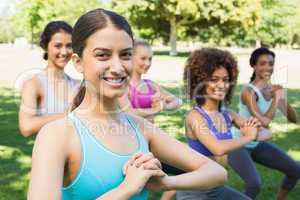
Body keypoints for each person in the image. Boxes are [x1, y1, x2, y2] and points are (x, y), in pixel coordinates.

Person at [27, 9, 227, 200]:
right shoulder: (56, 135)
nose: (117, 67)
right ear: (78, 62)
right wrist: (127, 189)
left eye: (125, 55)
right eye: (103, 55)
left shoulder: (141, 128)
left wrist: (166, 182)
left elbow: (216, 172)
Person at [176, 48, 270, 200]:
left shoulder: (229, 115)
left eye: (225, 80)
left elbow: (267, 133)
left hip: (216, 188)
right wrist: (248, 137)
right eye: (214, 79)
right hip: (195, 191)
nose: (221, 85)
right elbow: (217, 148)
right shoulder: (195, 117)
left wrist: (256, 131)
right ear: (200, 82)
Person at [228, 47, 300, 200]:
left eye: (271, 64)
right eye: (262, 64)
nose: (268, 67)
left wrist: (281, 98)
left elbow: (293, 119)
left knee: (295, 170)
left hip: (257, 143)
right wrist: (275, 100)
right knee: (254, 184)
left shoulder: (273, 90)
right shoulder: (248, 92)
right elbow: (263, 123)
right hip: (238, 144)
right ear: (254, 66)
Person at [18, 21, 79, 137]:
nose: (64, 52)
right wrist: (68, 115)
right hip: (47, 154)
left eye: (69, 46)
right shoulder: (34, 84)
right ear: (46, 47)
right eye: (58, 46)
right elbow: (26, 127)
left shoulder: (77, 85)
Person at [119, 40, 182, 123]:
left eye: (150, 59)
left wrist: (163, 106)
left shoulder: (150, 84)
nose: (148, 63)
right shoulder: (122, 85)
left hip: (150, 134)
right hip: (130, 134)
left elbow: (178, 101)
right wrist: (155, 109)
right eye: (143, 58)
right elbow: (129, 113)